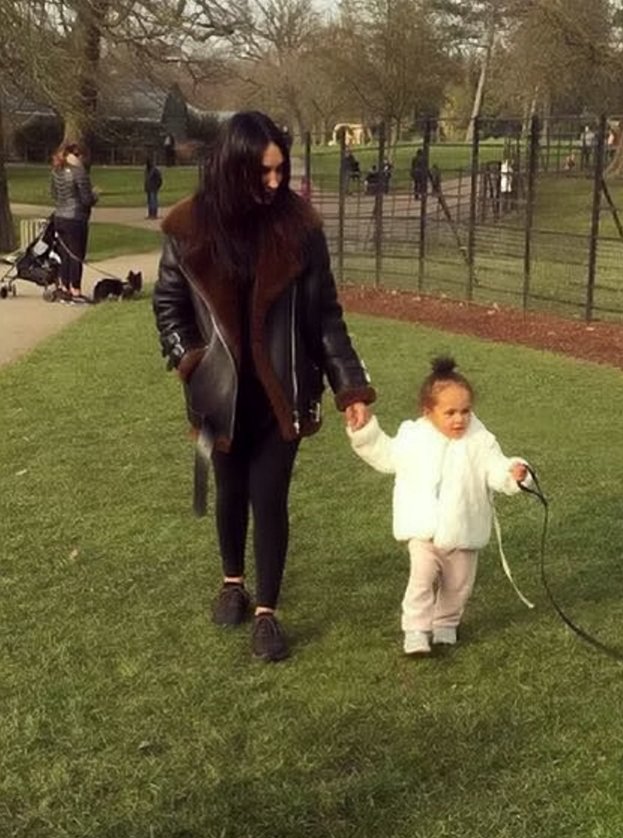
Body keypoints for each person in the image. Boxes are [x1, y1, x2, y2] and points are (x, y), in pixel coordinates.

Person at [152, 111, 376, 663]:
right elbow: (168, 307)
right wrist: (191, 361)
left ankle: (267, 613)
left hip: (284, 391)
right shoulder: (188, 229)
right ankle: (232, 582)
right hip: (215, 396)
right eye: (265, 172)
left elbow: (326, 317)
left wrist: (350, 389)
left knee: (269, 499)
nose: (276, 183)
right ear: (233, 168)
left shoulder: (301, 230)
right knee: (228, 492)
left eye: (281, 170)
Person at [347, 356, 528, 656]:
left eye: (465, 411)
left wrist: (514, 473)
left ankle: (445, 623)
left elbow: (496, 469)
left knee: (458, 586)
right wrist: (366, 433)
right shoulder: (413, 437)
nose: (459, 419)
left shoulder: (480, 441)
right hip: (424, 533)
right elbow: (386, 454)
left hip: (465, 533)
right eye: (450, 412)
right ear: (428, 412)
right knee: (421, 579)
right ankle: (416, 630)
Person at [50, 141, 98, 304]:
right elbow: (86, 200)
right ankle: (75, 290)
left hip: (60, 217)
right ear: (78, 156)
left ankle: (64, 288)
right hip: (76, 218)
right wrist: (95, 195)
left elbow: (54, 194)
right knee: (77, 255)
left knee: (65, 255)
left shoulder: (57, 171)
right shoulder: (80, 173)